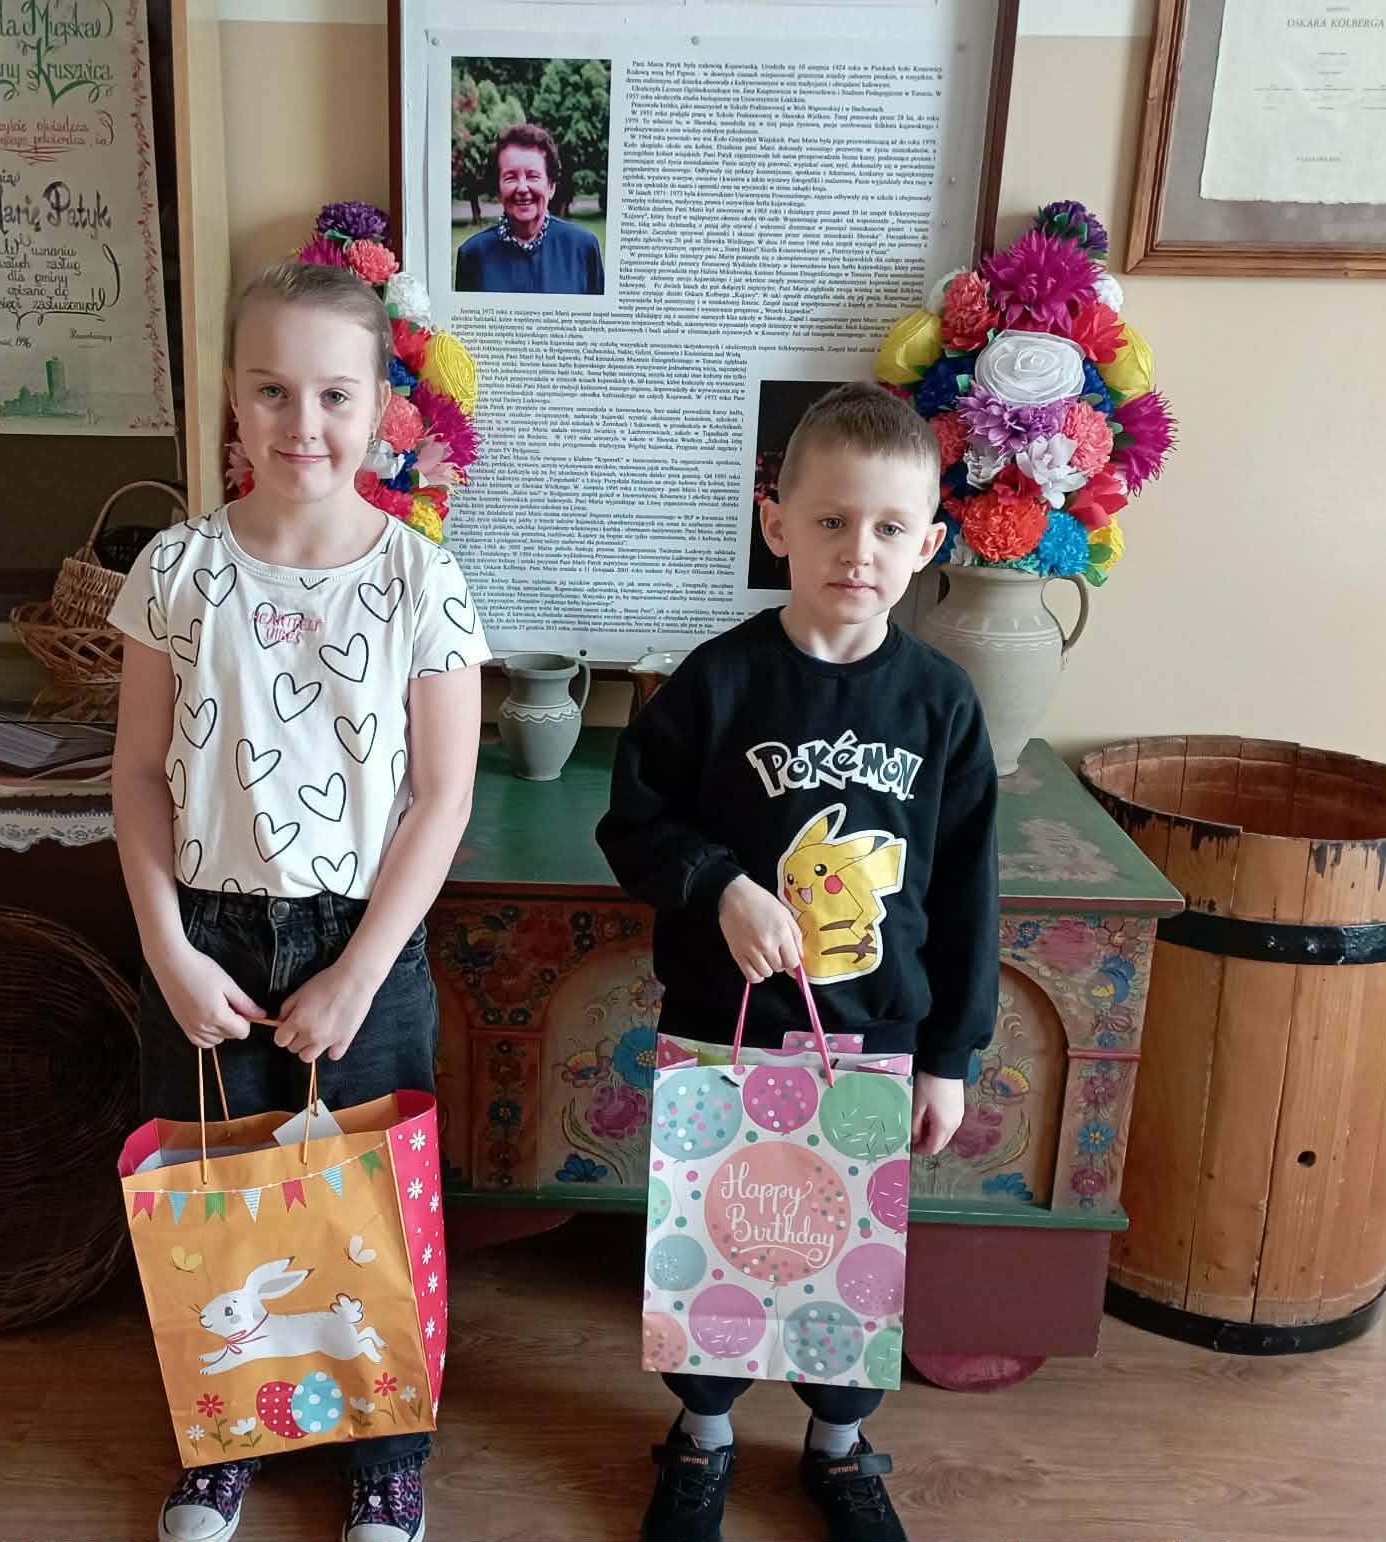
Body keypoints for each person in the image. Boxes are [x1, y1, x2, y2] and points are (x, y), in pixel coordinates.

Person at [108, 261, 487, 1542]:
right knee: (214, 1193)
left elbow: (441, 797)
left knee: (366, 1200)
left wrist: (360, 971)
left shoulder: (421, 580)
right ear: (232, 395)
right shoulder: (177, 568)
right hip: (206, 932)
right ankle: (225, 1434)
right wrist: (166, 947)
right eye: (270, 390)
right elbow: (136, 774)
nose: (301, 423)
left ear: (381, 406)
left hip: (357, 938)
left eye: (333, 394)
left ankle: (384, 1453)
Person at [596, 381, 1000, 1542]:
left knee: (843, 1254)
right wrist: (719, 884)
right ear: (775, 523)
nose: (856, 551)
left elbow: (965, 890)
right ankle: (701, 1436)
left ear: (927, 544)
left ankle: (838, 1447)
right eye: (829, 521)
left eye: (886, 528)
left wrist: (948, 1055)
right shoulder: (714, 683)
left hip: (874, 1036)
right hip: (726, 1030)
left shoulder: (940, 705)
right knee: (723, 1237)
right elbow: (633, 824)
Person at [454, 123, 605, 296]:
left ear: (551, 187)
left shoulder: (583, 247)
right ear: (498, 191)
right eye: (511, 177)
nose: (522, 188)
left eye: (533, 176)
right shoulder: (472, 255)